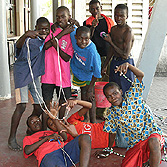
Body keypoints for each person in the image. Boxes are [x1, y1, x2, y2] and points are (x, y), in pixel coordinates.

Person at [97, 62, 164, 167]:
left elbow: (140, 75)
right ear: (107, 98)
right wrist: (109, 148)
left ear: (121, 91)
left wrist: (129, 65)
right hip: (136, 143)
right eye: (109, 96)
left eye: (115, 93)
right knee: (126, 165)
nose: (113, 97)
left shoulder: (133, 96)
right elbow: (112, 132)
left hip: (151, 134)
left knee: (154, 142)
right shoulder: (111, 113)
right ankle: (147, 160)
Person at [8, 17, 50, 151]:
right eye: (41, 28)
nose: (44, 31)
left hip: (34, 74)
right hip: (22, 75)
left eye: (46, 29)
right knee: (21, 106)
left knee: (40, 107)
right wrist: (25, 34)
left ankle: (34, 128)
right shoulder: (28, 39)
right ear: (35, 28)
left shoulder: (44, 40)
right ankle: (11, 138)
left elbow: (54, 37)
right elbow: (18, 46)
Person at [47, 99, 128, 149]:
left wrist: (77, 101)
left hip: (114, 125)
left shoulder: (71, 120)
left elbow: (89, 106)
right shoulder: (63, 137)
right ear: (53, 130)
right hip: (116, 140)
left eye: (53, 121)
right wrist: (54, 119)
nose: (54, 124)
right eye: (52, 124)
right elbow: (64, 135)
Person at [41, 6, 74, 127]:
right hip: (48, 74)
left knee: (62, 102)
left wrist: (57, 46)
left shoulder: (72, 34)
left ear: (69, 17)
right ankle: (44, 128)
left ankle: (60, 126)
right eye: (58, 17)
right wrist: (61, 34)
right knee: (46, 102)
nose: (60, 19)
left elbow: (67, 57)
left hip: (63, 76)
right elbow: (46, 46)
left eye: (63, 16)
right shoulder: (50, 28)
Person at [23, 114, 91, 167]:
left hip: (65, 149)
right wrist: (46, 138)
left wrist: (54, 118)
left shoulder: (51, 132)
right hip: (49, 155)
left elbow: (64, 138)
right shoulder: (29, 138)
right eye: (32, 122)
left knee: (85, 137)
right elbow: (27, 150)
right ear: (29, 128)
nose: (36, 123)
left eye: (38, 120)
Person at [101, 4, 135, 95]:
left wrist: (111, 42)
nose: (118, 18)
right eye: (116, 15)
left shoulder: (128, 31)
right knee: (113, 91)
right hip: (114, 63)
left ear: (126, 16)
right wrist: (105, 65)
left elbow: (125, 55)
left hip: (125, 64)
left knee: (126, 92)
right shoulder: (113, 29)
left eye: (121, 16)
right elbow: (111, 50)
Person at [70, 26, 101, 123]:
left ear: (89, 39)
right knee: (83, 94)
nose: (83, 42)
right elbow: (72, 28)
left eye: (86, 39)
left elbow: (97, 73)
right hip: (79, 71)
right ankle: (85, 118)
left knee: (90, 96)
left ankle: (93, 121)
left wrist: (91, 89)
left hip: (90, 75)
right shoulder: (72, 35)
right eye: (80, 39)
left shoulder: (92, 52)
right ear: (76, 37)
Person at [83, 0, 114, 82]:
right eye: (92, 9)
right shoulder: (87, 23)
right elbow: (87, 39)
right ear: (89, 10)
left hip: (108, 54)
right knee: (96, 80)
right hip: (95, 55)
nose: (95, 11)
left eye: (97, 8)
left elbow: (112, 37)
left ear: (101, 8)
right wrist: (93, 27)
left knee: (108, 78)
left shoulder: (108, 21)